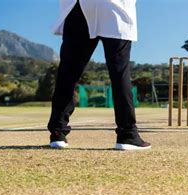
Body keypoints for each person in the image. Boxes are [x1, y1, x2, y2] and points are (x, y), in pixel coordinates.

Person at [48, 0, 151, 151]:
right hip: (114, 7)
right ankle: (127, 135)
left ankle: (58, 133)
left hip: (79, 6)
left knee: (68, 72)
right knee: (119, 73)